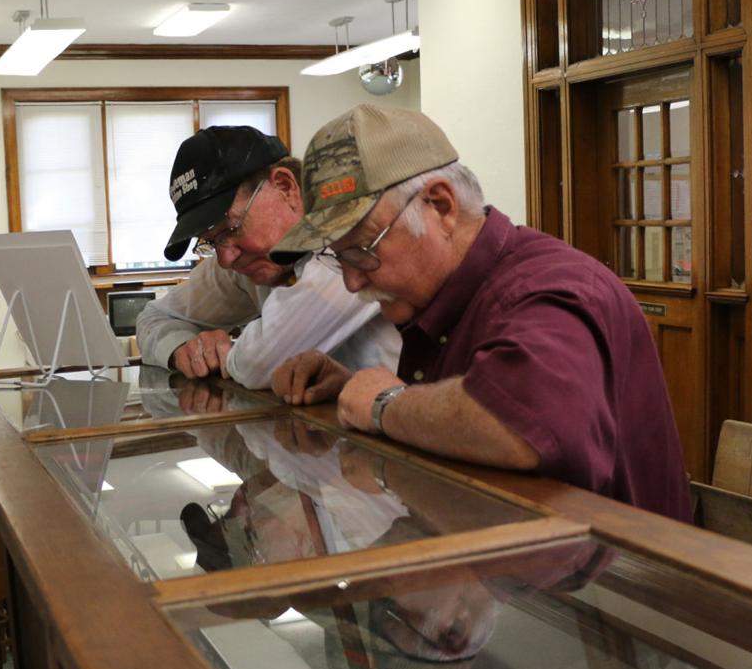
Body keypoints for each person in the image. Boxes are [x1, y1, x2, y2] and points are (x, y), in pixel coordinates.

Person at [268, 104, 690, 522]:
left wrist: (385, 405)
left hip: (616, 579)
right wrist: (351, 385)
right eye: (337, 257)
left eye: (362, 250)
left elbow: (527, 424)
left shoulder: (550, 286)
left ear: (441, 206)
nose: (351, 282)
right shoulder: (447, 296)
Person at [135, 125, 399, 388]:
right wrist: (183, 347)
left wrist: (226, 356)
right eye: (211, 241)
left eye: (230, 229)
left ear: (285, 186)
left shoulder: (348, 239)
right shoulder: (244, 258)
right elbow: (152, 318)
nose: (226, 259)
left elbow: (260, 364)